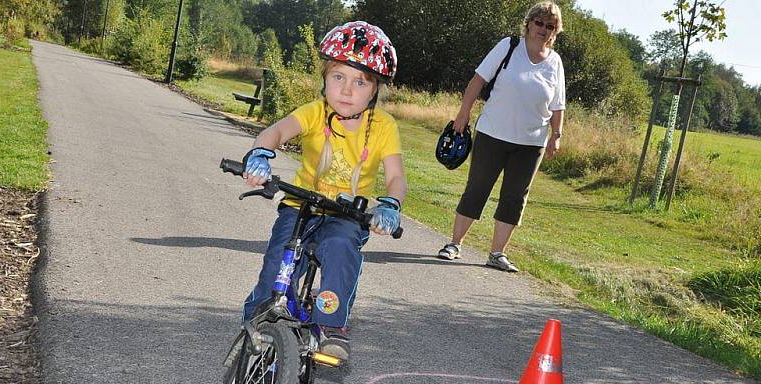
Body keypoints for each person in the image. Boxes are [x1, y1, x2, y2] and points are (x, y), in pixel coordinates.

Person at [241, 21, 406, 361]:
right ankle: (257, 322)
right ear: (325, 80)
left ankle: (331, 325)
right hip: (300, 206)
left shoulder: (384, 127)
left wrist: (390, 204)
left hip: (347, 215)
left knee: (341, 247)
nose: (347, 90)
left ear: (374, 90)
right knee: (277, 269)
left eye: (359, 82)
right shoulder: (315, 113)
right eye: (338, 77)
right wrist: (260, 153)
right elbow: (275, 131)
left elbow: (396, 177)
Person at [437, 1, 565, 273]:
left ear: (555, 31)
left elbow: (558, 105)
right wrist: (463, 114)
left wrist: (556, 135)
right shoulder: (508, 47)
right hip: (493, 133)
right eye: (539, 23)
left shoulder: (555, 62)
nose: (543, 29)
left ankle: (497, 253)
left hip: (531, 143)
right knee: (477, 187)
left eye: (549, 26)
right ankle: (454, 244)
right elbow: (478, 81)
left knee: (515, 197)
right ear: (529, 23)